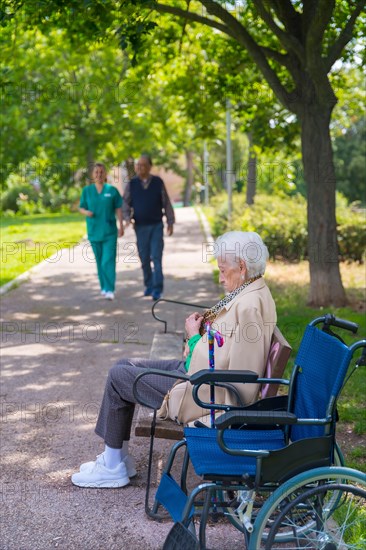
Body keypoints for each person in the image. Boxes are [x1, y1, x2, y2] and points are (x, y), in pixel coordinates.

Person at [71, 231, 277, 488]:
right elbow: (227, 350)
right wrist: (204, 330)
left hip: (206, 395)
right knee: (125, 364)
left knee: (118, 377)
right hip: (201, 377)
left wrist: (193, 340)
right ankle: (118, 459)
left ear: (242, 267)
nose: (221, 278)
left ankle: (112, 466)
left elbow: (240, 381)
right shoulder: (252, 291)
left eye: (223, 271)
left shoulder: (248, 306)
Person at [123, 155, 175, 301]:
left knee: (156, 257)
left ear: (150, 167)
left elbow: (166, 202)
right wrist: (127, 218)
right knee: (144, 258)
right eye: (138, 165)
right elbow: (125, 202)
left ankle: (157, 289)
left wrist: (170, 222)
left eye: (143, 165)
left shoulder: (158, 182)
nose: (140, 167)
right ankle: (149, 285)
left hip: (156, 225)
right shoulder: (132, 184)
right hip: (140, 227)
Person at [79, 163, 124, 301]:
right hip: (94, 231)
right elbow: (81, 207)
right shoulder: (87, 191)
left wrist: (121, 225)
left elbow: (118, 208)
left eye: (101, 172)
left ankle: (110, 289)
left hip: (109, 231)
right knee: (99, 261)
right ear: (93, 175)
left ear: (105, 174)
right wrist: (86, 212)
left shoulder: (112, 190)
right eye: (96, 172)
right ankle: (104, 287)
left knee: (107, 260)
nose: (99, 175)